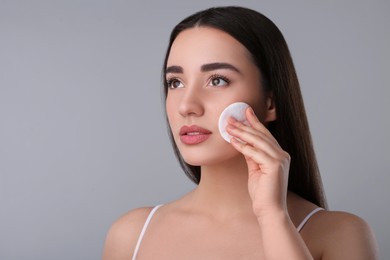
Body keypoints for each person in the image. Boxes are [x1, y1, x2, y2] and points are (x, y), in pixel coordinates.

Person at [102, 6, 378, 259]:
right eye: (175, 83)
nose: (187, 105)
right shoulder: (130, 234)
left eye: (217, 80)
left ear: (270, 102)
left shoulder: (341, 234)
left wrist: (273, 217)